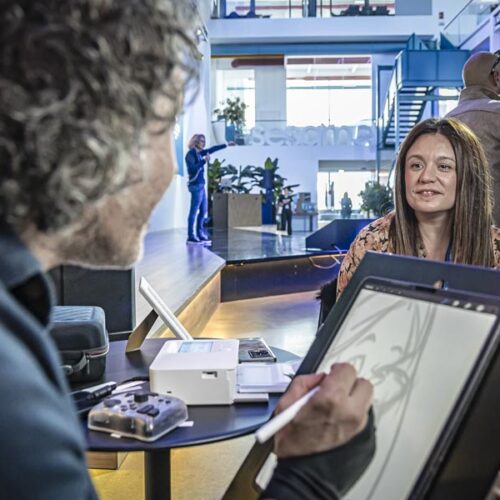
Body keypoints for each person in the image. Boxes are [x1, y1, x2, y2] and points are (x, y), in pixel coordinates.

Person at [0, 1, 373, 499]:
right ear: (91, 130)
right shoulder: (13, 398)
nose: (166, 168)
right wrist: (310, 477)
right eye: (166, 130)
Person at [337, 117, 500, 298]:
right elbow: (345, 314)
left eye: (444, 166)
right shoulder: (372, 242)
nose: (426, 177)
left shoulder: (495, 247)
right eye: (416, 165)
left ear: (468, 176)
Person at [446, 50, 500, 226]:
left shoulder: (445, 121)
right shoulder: (497, 113)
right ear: (496, 77)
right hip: (495, 230)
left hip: (456, 229)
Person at [185, 134, 227, 244]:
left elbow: (211, 149)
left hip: (201, 185)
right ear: (195, 142)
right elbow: (192, 169)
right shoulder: (190, 154)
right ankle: (191, 236)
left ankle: (200, 234)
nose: (203, 143)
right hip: (195, 186)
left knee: (203, 210)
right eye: (201, 141)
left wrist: (225, 145)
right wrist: (204, 161)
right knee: (194, 211)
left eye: (204, 141)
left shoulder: (199, 153)